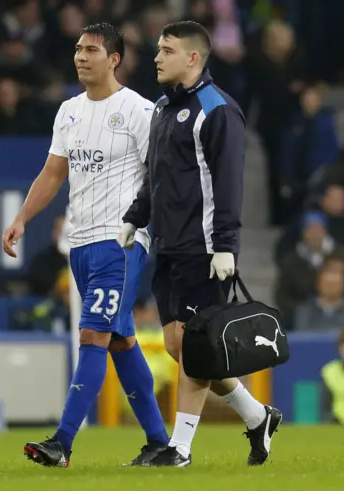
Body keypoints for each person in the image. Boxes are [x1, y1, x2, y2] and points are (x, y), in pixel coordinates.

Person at [2, 23, 169, 468]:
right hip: (79, 244)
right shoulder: (68, 111)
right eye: (77, 49)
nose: (80, 56)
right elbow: (54, 173)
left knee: (93, 333)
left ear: (114, 59)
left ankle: (62, 443)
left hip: (121, 241)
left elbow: (160, 175)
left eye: (91, 50)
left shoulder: (139, 110)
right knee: (120, 342)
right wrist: (22, 217)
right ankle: (159, 442)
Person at [118, 21, 281, 467]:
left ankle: (180, 448)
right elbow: (157, 173)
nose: (156, 57)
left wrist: (225, 244)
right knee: (180, 347)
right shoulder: (162, 109)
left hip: (204, 248)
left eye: (166, 50)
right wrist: (136, 217)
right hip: (168, 246)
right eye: (157, 49)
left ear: (192, 58)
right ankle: (257, 416)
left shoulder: (218, 110)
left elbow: (229, 182)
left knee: (192, 349)